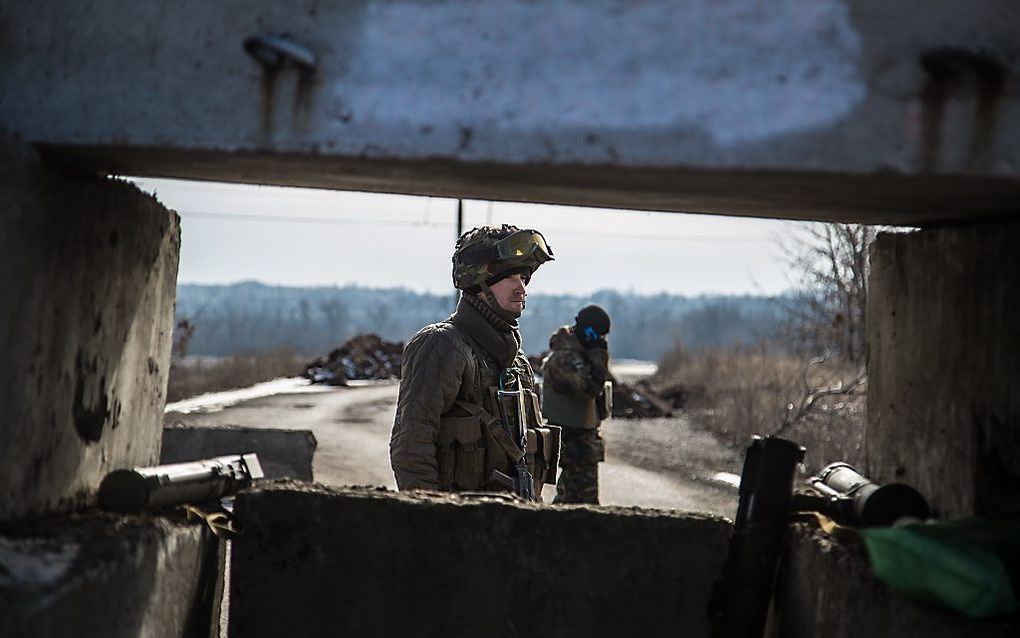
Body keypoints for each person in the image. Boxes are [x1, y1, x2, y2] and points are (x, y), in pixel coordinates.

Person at [389, 225, 561, 500]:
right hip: (460, 525)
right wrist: (428, 520)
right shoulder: (442, 345)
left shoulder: (516, 360)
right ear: (479, 283)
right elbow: (411, 448)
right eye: (510, 278)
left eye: (525, 278)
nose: (521, 288)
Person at [542, 305, 612, 504]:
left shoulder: (580, 354)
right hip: (573, 441)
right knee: (578, 502)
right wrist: (599, 355)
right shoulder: (565, 358)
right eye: (598, 336)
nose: (601, 341)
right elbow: (591, 387)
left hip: (582, 441)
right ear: (589, 333)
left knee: (576, 500)